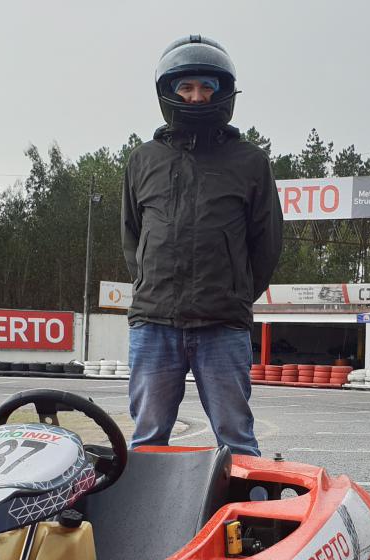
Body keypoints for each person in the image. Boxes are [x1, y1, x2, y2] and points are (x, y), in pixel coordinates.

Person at [121, 35, 283, 457]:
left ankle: (245, 522)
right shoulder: (143, 160)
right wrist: (150, 283)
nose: (197, 98)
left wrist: (233, 293)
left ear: (223, 92)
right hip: (154, 322)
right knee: (147, 439)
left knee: (237, 439)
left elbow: (266, 245)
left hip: (222, 324)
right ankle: (147, 521)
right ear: (169, 93)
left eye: (207, 88)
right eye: (186, 88)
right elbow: (132, 237)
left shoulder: (250, 162)